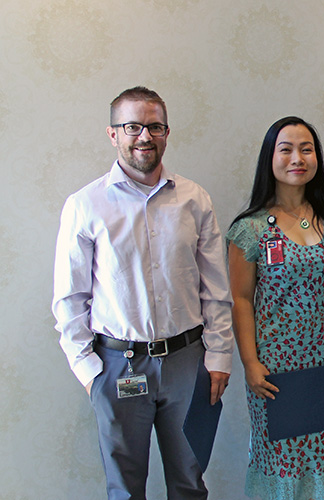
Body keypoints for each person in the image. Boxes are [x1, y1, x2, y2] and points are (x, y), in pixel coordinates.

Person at [52, 86, 234, 499]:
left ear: (166, 133)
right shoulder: (85, 205)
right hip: (117, 365)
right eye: (132, 126)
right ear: (113, 134)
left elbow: (216, 289)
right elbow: (69, 299)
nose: (144, 136)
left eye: (154, 126)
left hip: (189, 362)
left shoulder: (194, 199)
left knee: (190, 483)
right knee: (124, 488)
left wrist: (219, 355)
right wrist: (88, 372)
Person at [227, 116, 324, 499]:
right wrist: (250, 362)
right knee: (284, 461)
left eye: (306, 149)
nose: (297, 158)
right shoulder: (251, 229)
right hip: (276, 368)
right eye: (285, 149)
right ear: (269, 158)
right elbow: (240, 299)